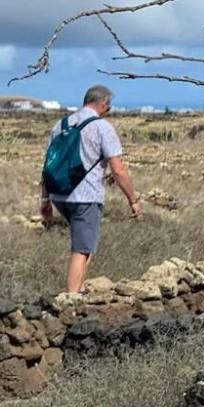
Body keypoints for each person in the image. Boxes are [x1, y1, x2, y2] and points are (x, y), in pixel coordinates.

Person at [40, 83, 142, 297]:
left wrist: (45, 200)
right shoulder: (102, 127)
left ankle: (81, 288)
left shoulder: (61, 125)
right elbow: (118, 169)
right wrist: (132, 199)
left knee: (87, 242)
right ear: (103, 103)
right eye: (109, 105)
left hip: (59, 193)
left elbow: (48, 164)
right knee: (82, 249)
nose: (109, 108)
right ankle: (72, 300)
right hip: (85, 196)